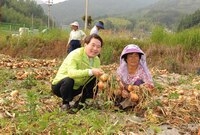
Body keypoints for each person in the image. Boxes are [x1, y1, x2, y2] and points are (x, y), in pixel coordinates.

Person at [51, 34, 104, 112]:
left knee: (95, 79)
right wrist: (90, 71)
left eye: (98, 47)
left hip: (77, 88)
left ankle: (82, 102)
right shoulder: (75, 54)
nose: (95, 49)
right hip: (61, 87)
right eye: (93, 45)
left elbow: (95, 76)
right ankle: (65, 103)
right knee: (69, 80)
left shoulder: (96, 60)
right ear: (85, 45)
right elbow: (71, 73)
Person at [115, 44, 154, 109]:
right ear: (126, 58)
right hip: (124, 95)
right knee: (116, 89)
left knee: (139, 82)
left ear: (139, 58)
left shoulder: (142, 71)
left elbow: (150, 87)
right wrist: (122, 90)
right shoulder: (121, 70)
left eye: (136, 56)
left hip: (137, 96)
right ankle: (121, 103)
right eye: (130, 56)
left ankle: (131, 105)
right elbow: (117, 81)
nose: (133, 59)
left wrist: (138, 89)